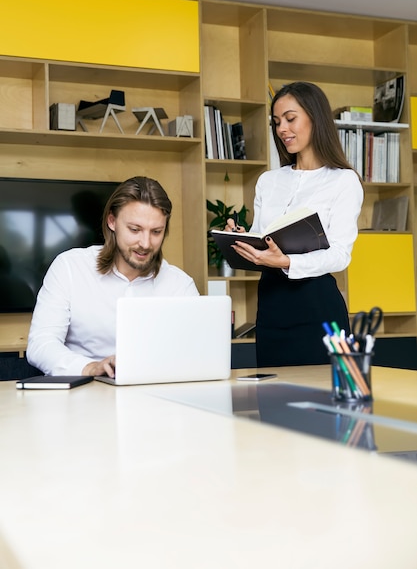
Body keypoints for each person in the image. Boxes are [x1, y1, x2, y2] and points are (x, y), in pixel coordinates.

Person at [225, 81, 364, 366]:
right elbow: (264, 239)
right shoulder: (268, 181)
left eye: (290, 119)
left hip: (318, 309)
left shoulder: (343, 180)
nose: (282, 129)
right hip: (272, 307)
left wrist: (287, 262)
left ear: (315, 117)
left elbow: (340, 255)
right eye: (277, 122)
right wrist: (243, 238)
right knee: (273, 403)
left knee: (324, 405)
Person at [27, 176, 199, 377]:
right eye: (135, 230)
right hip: (81, 395)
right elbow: (41, 344)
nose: (145, 243)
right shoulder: (70, 267)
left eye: (156, 232)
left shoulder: (181, 286)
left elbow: (195, 353)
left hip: (155, 397)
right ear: (112, 222)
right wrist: (91, 367)